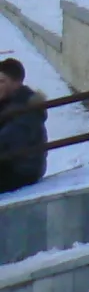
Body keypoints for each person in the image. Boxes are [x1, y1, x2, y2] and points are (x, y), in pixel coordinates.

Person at [0, 57, 47, 193]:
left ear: (17, 83)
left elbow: (7, 140)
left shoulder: (25, 107)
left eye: (2, 81)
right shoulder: (7, 103)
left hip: (22, 170)